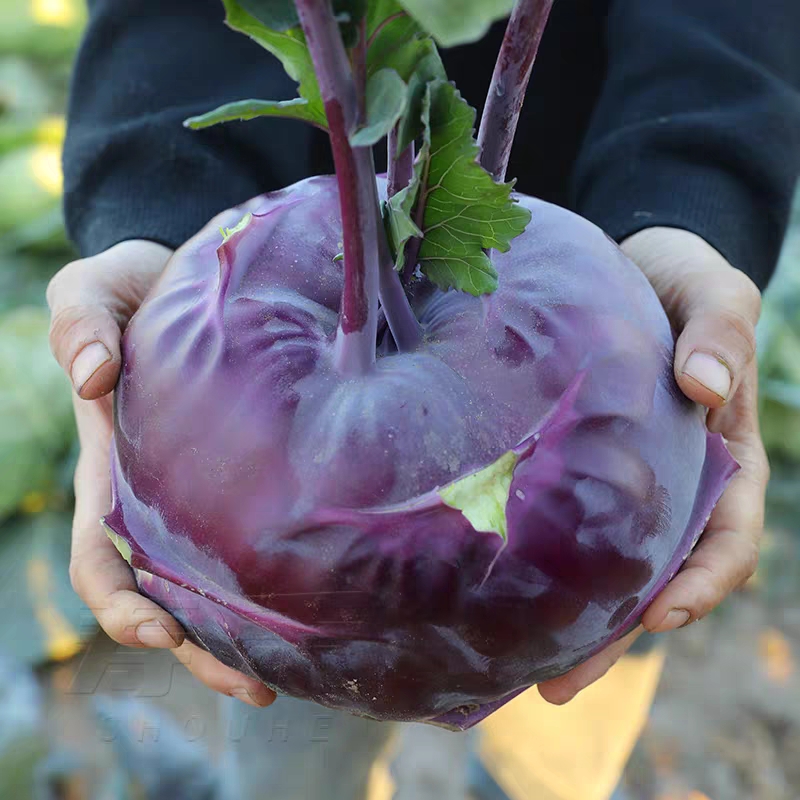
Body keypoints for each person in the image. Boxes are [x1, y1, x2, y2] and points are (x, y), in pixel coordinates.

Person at [46, 0, 800, 797]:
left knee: (555, 756)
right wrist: (155, 207)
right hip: (280, 236)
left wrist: (687, 204)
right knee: (293, 761)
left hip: (610, 249)